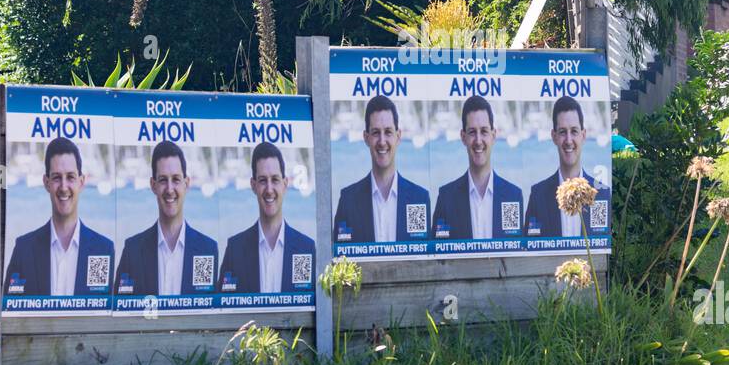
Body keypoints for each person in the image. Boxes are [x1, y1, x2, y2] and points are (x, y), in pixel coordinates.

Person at [4, 137, 114, 297]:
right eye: (56, 178)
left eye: (70, 177)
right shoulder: (24, 249)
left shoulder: (103, 249)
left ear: (81, 182)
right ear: (46, 182)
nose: (63, 187)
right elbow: (11, 311)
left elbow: (104, 311)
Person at [113, 141, 219, 296]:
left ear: (186, 183)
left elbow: (209, 314)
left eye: (176, 179)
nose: (170, 189)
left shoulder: (206, 250)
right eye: (163, 180)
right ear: (153, 185)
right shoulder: (132, 251)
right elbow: (122, 313)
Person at [219, 142, 315, 292]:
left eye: (275, 180)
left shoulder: (305, 249)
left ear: (285, 184)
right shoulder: (235, 250)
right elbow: (223, 311)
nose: (269, 190)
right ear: (253, 185)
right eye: (263, 180)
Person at [333, 94, 430, 243]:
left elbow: (424, 259)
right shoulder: (348, 201)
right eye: (376, 133)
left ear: (398, 136)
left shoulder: (419, 199)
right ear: (366, 138)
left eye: (388, 132)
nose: (382, 141)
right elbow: (339, 262)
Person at [431, 95, 523, 240]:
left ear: (493, 135)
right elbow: (439, 259)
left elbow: (515, 252)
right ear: (463, 137)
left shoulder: (512, 196)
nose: (478, 141)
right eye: (472, 132)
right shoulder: (446, 198)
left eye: (484, 131)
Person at [524, 96, 612, 238]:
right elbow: (530, 247)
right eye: (563, 132)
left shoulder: (601, 194)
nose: (569, 140)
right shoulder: (538, 195)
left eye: (574, 131)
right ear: (554, 136)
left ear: (583, 135)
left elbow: (603, 248)